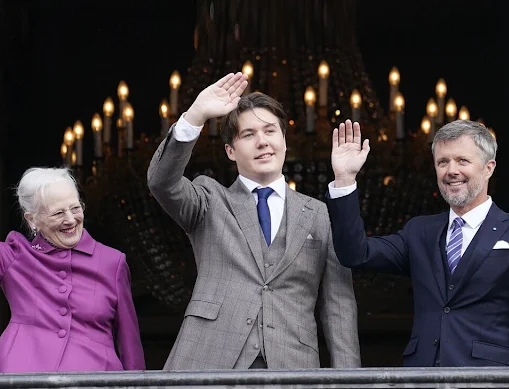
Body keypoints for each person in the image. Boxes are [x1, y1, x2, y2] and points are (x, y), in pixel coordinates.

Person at [147, 72, 360, 370]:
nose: (262, 142)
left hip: (292, 366)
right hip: (209, 360)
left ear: (284, 140)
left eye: (270, 131)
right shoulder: (209, 199)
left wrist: (350, 384)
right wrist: (194, 116)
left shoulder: (320, 214)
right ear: (230, 151)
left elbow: (339, 308)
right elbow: (162, 182)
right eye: (248, 135)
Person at [0, 111, 145, 373]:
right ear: (33, 220)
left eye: (75, 208)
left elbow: (130, 345)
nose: (71, 219)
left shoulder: (112, 262)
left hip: (94, 384)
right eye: (58, 213)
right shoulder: (15, 257)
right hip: (21, 380)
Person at [327, 119, 509, 367]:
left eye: (462, 160)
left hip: (490, 382)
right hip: (422, 379)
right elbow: (356, 254)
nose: (451, 170)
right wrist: (344, 180)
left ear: (488, 168)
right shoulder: (420, 231)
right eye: (443, 162)